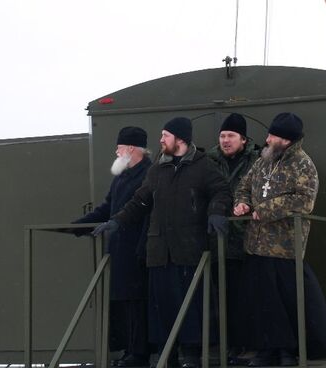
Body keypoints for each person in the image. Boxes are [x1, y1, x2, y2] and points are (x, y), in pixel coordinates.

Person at [93, 117, 231, 368]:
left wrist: (216, 212)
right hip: (159, 251)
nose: (161, 140)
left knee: (191, 306)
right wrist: (117, 222)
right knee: (163, 307)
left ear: (180, 139)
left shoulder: (203, 166)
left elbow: (221, 191)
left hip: (188, 248)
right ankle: (169, 355)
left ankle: (191, 355)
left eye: (165, 135)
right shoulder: (157, 170)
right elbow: (140, 201)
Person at [233, 112, 326, 367]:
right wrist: (242, 204)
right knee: (262, 302)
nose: (267, 139)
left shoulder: (303, 164)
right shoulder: (263, 161)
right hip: (256, 245)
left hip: (284, 247)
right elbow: (244, 186)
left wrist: (266, 209)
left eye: (273, 136)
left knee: (286, 303)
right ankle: (266, 348)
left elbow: (304, 200)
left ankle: (287, 351)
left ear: (286, 140)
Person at [72, 126, 152, 367]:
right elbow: (108, 207)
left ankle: (139, 354)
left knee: (136, 302)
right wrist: (80, 226)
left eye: (119, 148)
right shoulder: (122, 177)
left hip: (137, 247)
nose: (116, 152)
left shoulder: (148, 175)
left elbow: (140, 210)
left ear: (130, 148)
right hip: (118, 248)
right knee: (122, 302)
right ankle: (128, 349)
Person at [206, 113, 260, 364]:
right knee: (222, 298)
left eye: (231, 136)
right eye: (222, 136)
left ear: (243, 139)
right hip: (218, 241)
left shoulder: (256, 161)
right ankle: (229, 345)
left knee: (247, 298)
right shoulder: (209, 161)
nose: (226, 140)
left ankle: (249, 345)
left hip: (248, 241)